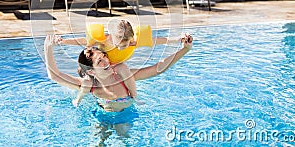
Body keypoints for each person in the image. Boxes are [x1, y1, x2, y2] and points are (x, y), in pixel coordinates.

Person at [43, 32, 193, 112]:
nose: (106, 61)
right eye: (99, 62)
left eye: (104, 57)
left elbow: (158, 69)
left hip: (125, 117)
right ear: (92, 72)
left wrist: (185, 49)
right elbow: (54, 75)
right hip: (101, 117)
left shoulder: (123, 76)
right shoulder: (90, 86)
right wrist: (47, 47)